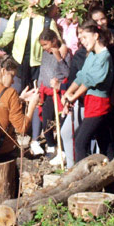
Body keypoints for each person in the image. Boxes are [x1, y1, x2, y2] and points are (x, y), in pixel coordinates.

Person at [61, 24, 114, 165]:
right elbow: (81, 76)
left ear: (96, 36)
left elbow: (90, 80)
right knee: (103, 139)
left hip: (99, 103)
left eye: (85, 37)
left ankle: (81, 176)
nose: (82, 41)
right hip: (91, 102)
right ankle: (112, 166)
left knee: (80, 141)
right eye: (81, 38)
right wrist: (68, 92)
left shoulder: (104, 56)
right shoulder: (92, 55)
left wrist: (74, 96)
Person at [0, 0, 63, 93]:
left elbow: (58, 43)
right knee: (15, 94)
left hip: (37, 66)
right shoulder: (17, 17)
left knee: (34, 96)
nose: (37, 1)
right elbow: (6, 38)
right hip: (17, 64)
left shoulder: (47, 21)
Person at [33, 29, 71, 158]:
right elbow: (42, 72)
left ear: (54, 41)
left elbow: (67, 73)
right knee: (46, 122)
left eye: (46, 45)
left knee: (61, 123)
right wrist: (39, 88)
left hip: (61, 93)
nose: (44, 48)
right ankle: (51, 145)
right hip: (48, 93)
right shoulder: (45, 54)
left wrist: (59, 58)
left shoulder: (65, 53)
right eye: (42, 45)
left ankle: (63, 149)